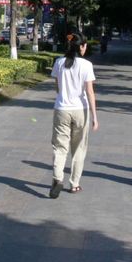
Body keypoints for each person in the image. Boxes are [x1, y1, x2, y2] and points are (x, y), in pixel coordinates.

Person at [49, 32, 99, 198]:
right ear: (82, 47)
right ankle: (74, 184)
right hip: (80, 110)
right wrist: (94, 117)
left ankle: (57, 178)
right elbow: (90, 92)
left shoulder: (59, 62)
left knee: (60, 147)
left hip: (61, 109)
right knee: (78, 149)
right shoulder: (86, 65)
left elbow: (57, 88)